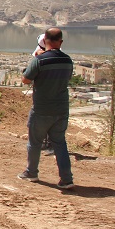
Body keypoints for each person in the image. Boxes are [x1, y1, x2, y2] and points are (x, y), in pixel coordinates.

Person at [17, 27, 75, 189]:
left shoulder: (40, 60)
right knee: (60, 143)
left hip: (42, 108)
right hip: (61, 109)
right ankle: (66, 179)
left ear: (45, 41)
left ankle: (32, 172)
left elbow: (26, 80)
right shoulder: (68, 60)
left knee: (34, 142)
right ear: (61, 42)